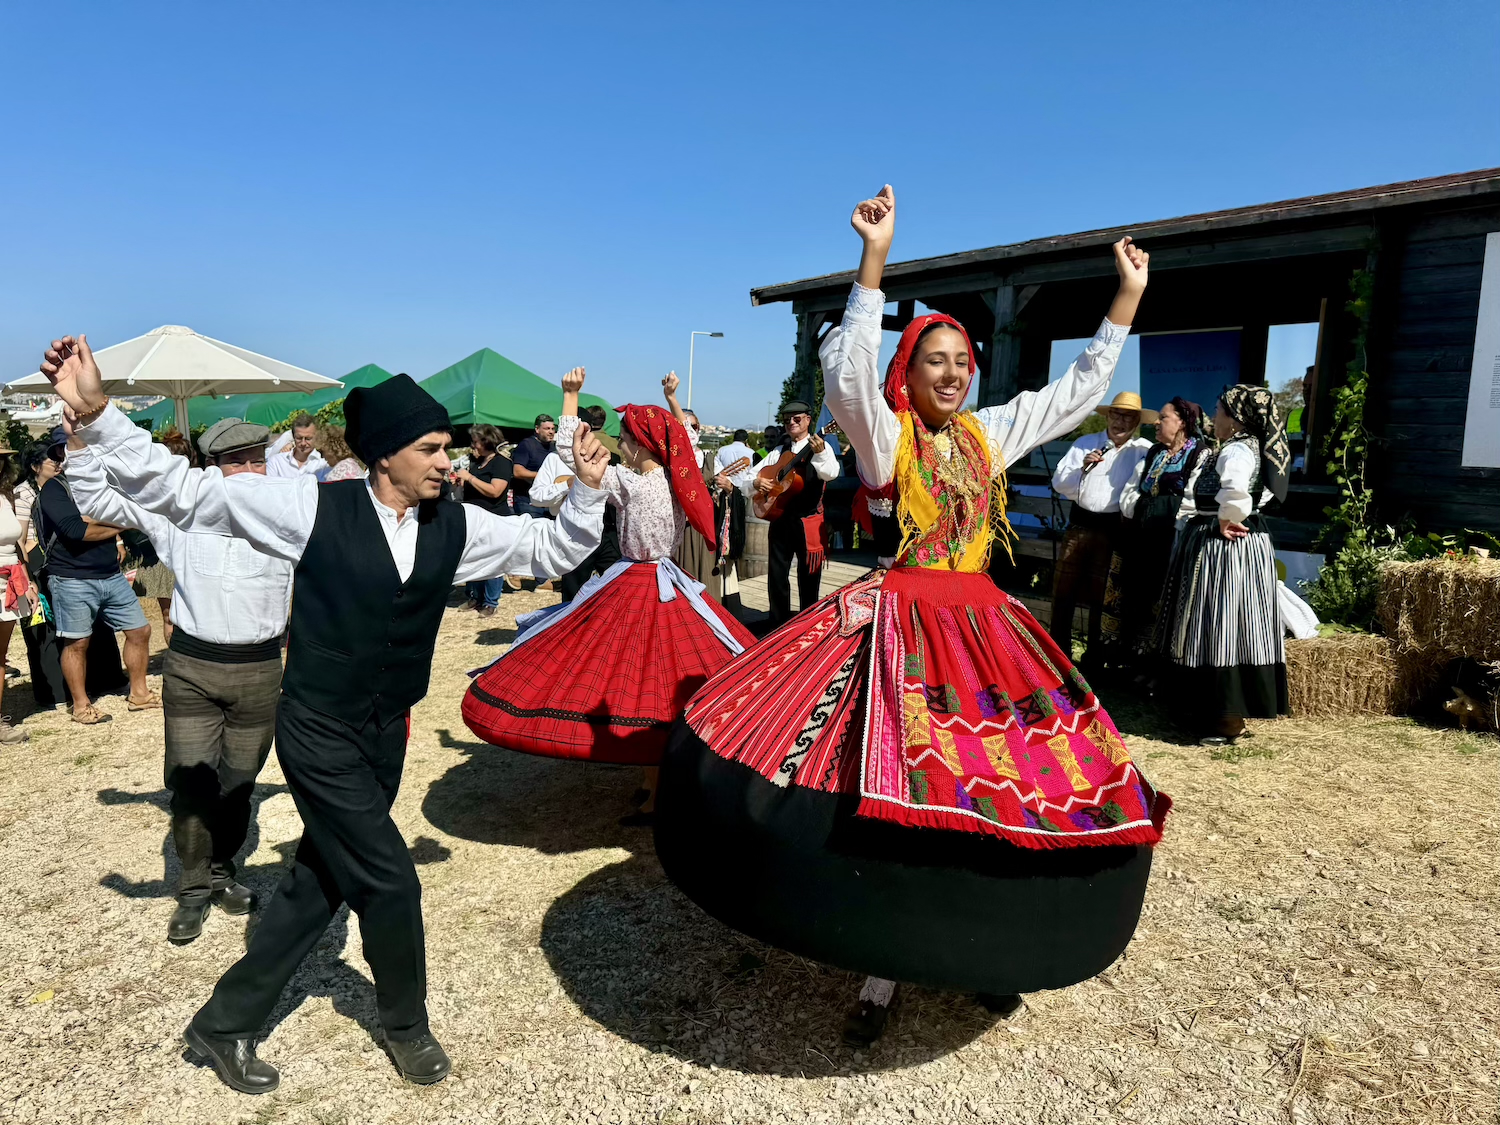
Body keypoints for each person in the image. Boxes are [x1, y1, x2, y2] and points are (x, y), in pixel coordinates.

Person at [654, 185, 1168, 1049]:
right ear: (909, 374)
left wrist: (1125, 300)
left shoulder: (988, 433)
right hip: (905, 628)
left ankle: (992, 948)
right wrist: (874, 265)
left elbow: (1075, 392)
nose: (953, 371)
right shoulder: (885, 438)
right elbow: (847, 373)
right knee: (895, 793)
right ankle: (883, 967)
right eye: (935, 360)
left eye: (960, 360)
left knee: (1009, 781)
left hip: (984, 631)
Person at [40, 337, 609, 1096]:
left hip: (387, 732)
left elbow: (553, 543)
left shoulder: (458, 525)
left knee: (320, 880)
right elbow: (184, 491)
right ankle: (407, 1025)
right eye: (431, 447)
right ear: (383, 457)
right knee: (391, 881)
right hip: (316, 729)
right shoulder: (309, 505)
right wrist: (101, 416)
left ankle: (222, 1022)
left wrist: (592, 488)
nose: (448, 460)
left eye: (447, 446)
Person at [463, 367, 756, 822]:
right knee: (663, 678)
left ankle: (657, 787)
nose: (619, 442)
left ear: (638, 443)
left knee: (634, 674)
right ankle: (655, 779)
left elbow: (567, 455)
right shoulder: (679, 477)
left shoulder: (633, 481)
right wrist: (672, 404)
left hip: (640, 580)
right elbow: (686, 443)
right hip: (668, 580)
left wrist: (569, 396)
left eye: (625, 437)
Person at [70, 418, 294, 945]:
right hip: (192, 667)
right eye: (234, 462)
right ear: (212, 470)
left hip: (261, 669)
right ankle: (193, 888)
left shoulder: (288, 518)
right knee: (191, 783)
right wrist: (79, 446)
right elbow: (99, 503)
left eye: (254, 459)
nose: (246, 472)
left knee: (239, 784)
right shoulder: (179, 515)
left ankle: (221, 869)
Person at [1154, 385, 1290, 744]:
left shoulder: (1237, 452)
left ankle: (1226, 717)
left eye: (1219, 410)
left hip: (1227, 547)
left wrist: (1226, 517)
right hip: (1233, 544)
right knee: (1227, 626)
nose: (1215, 417)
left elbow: (1235, 491)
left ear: (1236, 418)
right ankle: (1217, 713)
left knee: (1221, 626)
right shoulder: (1239, 448)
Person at [35, 425, 156, 724]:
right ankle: (80, 705)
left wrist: (104, 523)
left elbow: (106, 519)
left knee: (140, 631)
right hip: (72, 578)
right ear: (63, 454)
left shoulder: (103, 484)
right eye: (76, 449)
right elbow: (77, 531)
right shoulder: (55, 489)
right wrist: (126, 523)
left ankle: (139, 693)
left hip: (110, 574)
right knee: (77, 642)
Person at [1099, 397, 1209, 667]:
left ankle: (1154, 666)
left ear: (1182, 422)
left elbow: (1192, 499)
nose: (1157, 423)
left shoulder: (1199, 453)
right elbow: (1131, 491)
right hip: (1142, 535)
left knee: (1161, 600)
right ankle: (1125, 659)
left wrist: (1162, 511)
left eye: (1164, 417)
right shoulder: (1154, 453)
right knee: (1133, 594)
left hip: (1172, 538)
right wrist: (1144, 508)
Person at [1048, 392, 1154, 665]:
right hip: (1080, 523)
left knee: (1103, 596)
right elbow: (1060, 484)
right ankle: (1058, 655)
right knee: (1064, 591)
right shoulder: (1086, 444)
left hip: (1114, 529)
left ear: (1137, 421)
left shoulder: (1143, 450)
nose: (1120, 421)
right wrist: (1082, 468)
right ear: (1107, 416)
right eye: (1116, 414)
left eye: (1128, 416)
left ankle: (1096, 658)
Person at [746, 400, 840, 626]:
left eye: (797, 418)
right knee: (777, 576)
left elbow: (831, 473)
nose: (791, 423)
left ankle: (806, 623)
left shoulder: (821, 447)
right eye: (787, 420)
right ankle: (777, 622)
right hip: (780, 519)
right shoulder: (780, 449)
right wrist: (757, 483)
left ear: (808, 420)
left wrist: (818, 454)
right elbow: (751, 476)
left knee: (808, 578)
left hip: (807, 522)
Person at [533, 404, 623, 602]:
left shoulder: (608, 456)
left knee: (618, 592)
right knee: (572, 598)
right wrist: (566, 484)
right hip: (573, 536)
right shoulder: (553, 459)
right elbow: (536, 496)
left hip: (608, 533)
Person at [126, 428, 190, 642]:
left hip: (185, 552)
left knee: (175, 614)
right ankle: (175, 656)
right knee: (170, 614)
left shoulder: (196, 483)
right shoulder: (149, 487)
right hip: (161, 555)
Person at [451, 424, 512, 617]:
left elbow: (495, 491)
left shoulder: (501, 462)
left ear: (486, 441)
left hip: (494, 518)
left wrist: (469, 478)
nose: (472, 445)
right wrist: (461, 481)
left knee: (493, 560)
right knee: (473, 558)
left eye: (475, 441)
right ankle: (474, 597)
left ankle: (490, 602)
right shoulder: (477, 462)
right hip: (474, 518)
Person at [0, 440, 33, 743]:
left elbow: (18, 543)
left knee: (0, 656)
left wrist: (28, 580)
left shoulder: (7, 495)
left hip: (10, 579)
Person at [509, 413, 557, 518]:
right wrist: (543, 475)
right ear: (537, 429)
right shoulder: (527, 445)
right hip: (527, 502)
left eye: (553, 429)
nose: (551, 432)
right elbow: (518, 471)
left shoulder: (554, 448)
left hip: (548, 501)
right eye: (547, 428)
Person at [266, 413, 328, 480]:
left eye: (308, 439)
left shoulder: (323, 464)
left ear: (316, 437)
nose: (303, 443)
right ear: (293, 437)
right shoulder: (276, 462)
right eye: (299, 438)